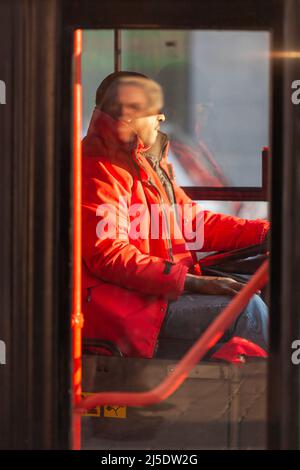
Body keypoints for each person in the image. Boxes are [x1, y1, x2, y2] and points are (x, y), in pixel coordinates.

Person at [82, 71, 269, 361]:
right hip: (129, 306)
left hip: (160, 293)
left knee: (265, 283)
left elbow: (193, 224)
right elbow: (110, 255)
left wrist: (265, 233)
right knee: (247, 309)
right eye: (155, 111)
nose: (161, 119)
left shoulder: (146, 165)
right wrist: (192, 282)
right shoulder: (98, 170)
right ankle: (265, 402)